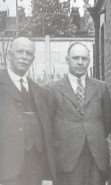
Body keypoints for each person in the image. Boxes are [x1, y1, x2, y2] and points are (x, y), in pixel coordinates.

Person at [47, 42, 111, 185]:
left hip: (96, 158)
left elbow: (107, 122)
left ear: (89, 61)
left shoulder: (101, 88)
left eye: (84, 59)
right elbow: (49, 126)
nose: (80, 62)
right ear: (67, 60)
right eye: (75, 58)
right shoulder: (52, 89)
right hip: (67, 159)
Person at [0, 37, 56, 185]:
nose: (24, 57)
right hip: (5, 170)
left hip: (35, 171)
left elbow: (47, 134)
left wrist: (47, 174)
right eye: (20, 52)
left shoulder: (41, 92)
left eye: (28, 53)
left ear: (33, 59)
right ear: (9, 55)